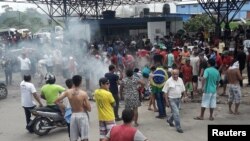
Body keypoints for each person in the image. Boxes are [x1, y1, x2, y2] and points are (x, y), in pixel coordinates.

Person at [55, 75, 91, 141]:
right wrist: (82, 104)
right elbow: (89, 109)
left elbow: (56, 101)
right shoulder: (83, 94)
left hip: (73, 115)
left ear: (73, 82)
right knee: (84, 137)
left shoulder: (67, 92)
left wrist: (65, 108)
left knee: (73, 138)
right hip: (82, 115)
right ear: (80, 82)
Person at [162, 69, 186, 133]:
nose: (175, 76)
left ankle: (170, 120)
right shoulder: (168, 81)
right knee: (177, 113)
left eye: (176, 74)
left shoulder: (180, 80)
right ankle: (178, 127)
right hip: (171, 99)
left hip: (178, 98)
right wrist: (167, 101)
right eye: (174, 74)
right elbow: (165, 92)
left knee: (175, 112)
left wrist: (184, 97)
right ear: (171, 74)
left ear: (178, 74)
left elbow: (183, 89)